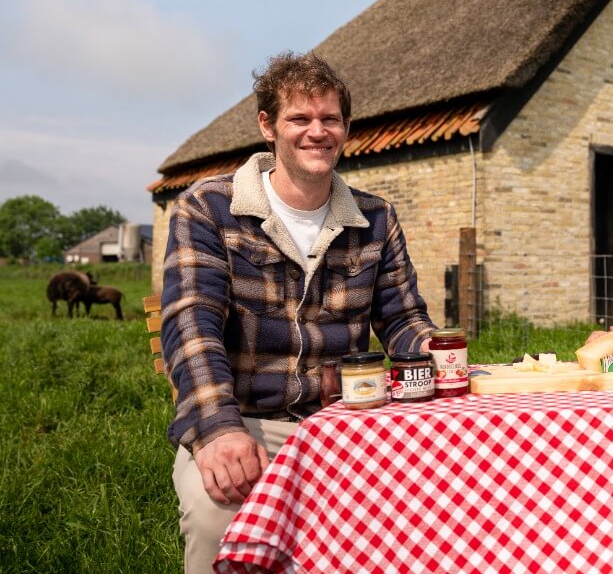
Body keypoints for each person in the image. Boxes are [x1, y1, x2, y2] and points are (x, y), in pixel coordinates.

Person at [160, 51, 436, 574]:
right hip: (244, 420)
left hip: (347, 419)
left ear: (346, 128)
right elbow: (192, 326)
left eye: (330, 119)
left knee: (435, 507)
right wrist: (217, 430)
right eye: (300, 119)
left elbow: (402, 319)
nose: (317, 132)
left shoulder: (376, 217)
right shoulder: (209, 207)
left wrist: (435, 352)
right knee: (217, 518)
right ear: (268, 126)